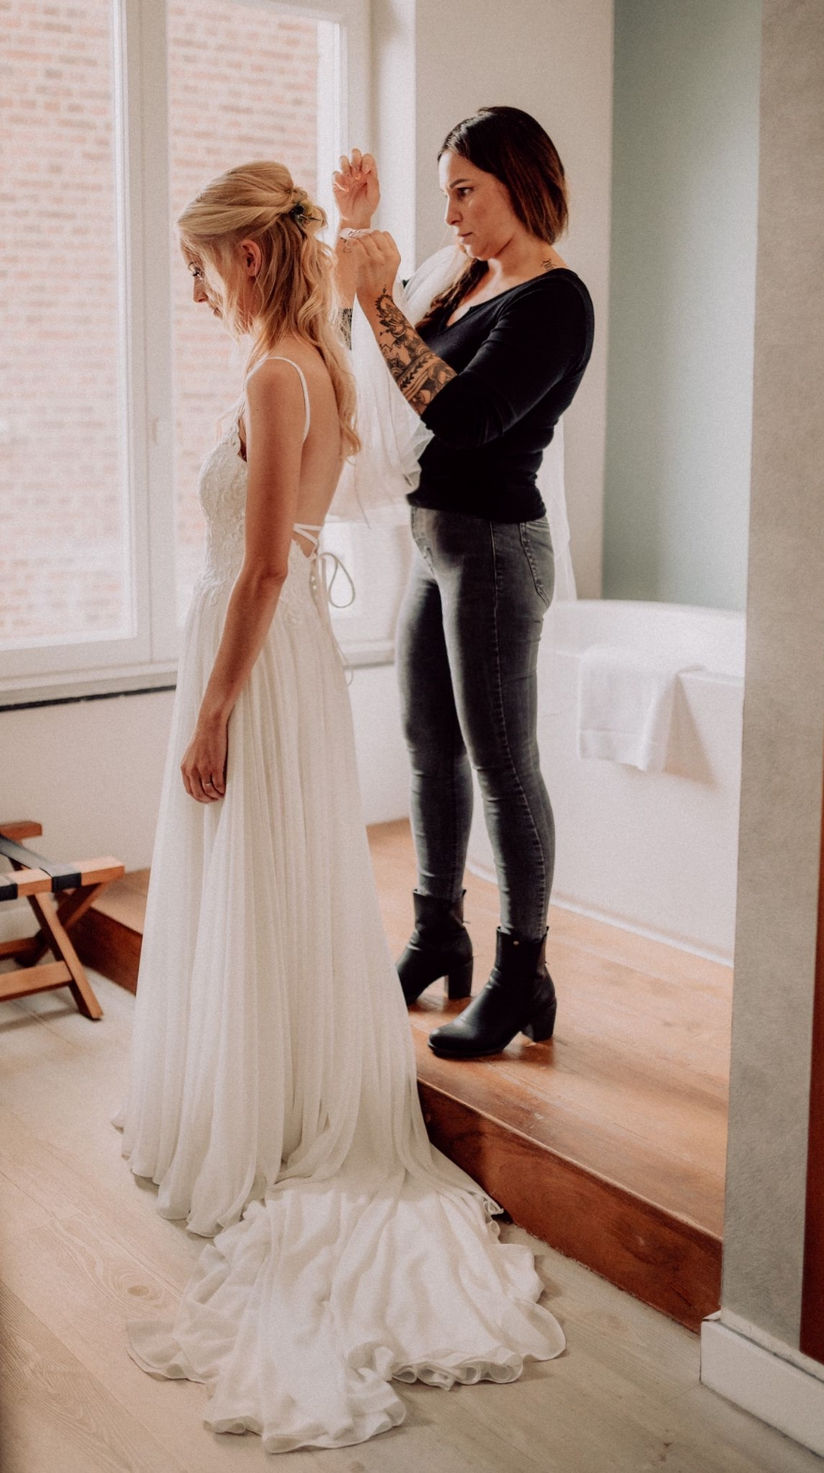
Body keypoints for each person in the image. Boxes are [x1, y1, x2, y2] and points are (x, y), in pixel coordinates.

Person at [117, 160, 563, 1451]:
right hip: (289, 654)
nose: (195, 291)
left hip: (256, 657)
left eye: (200, 268)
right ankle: (267, 1091)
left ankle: (252, 1118)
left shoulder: (275, 374)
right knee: (277, 884)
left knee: (254, 878)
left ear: (248, 257)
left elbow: (262, 566)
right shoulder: (314, 359)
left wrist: (212, 711)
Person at [335, 106, 595, 1061]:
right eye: (445, 192)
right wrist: (356, 234)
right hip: (433, 542)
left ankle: (521, 970)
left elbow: (467, 415)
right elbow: (376, 373)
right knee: (427, 749)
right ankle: (437, 932)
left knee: (502, 764)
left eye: (463, 191)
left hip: (493, 550)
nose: (449, 214)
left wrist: (378, 300)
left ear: (518, 182)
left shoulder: (555, 301)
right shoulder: (464, 277)